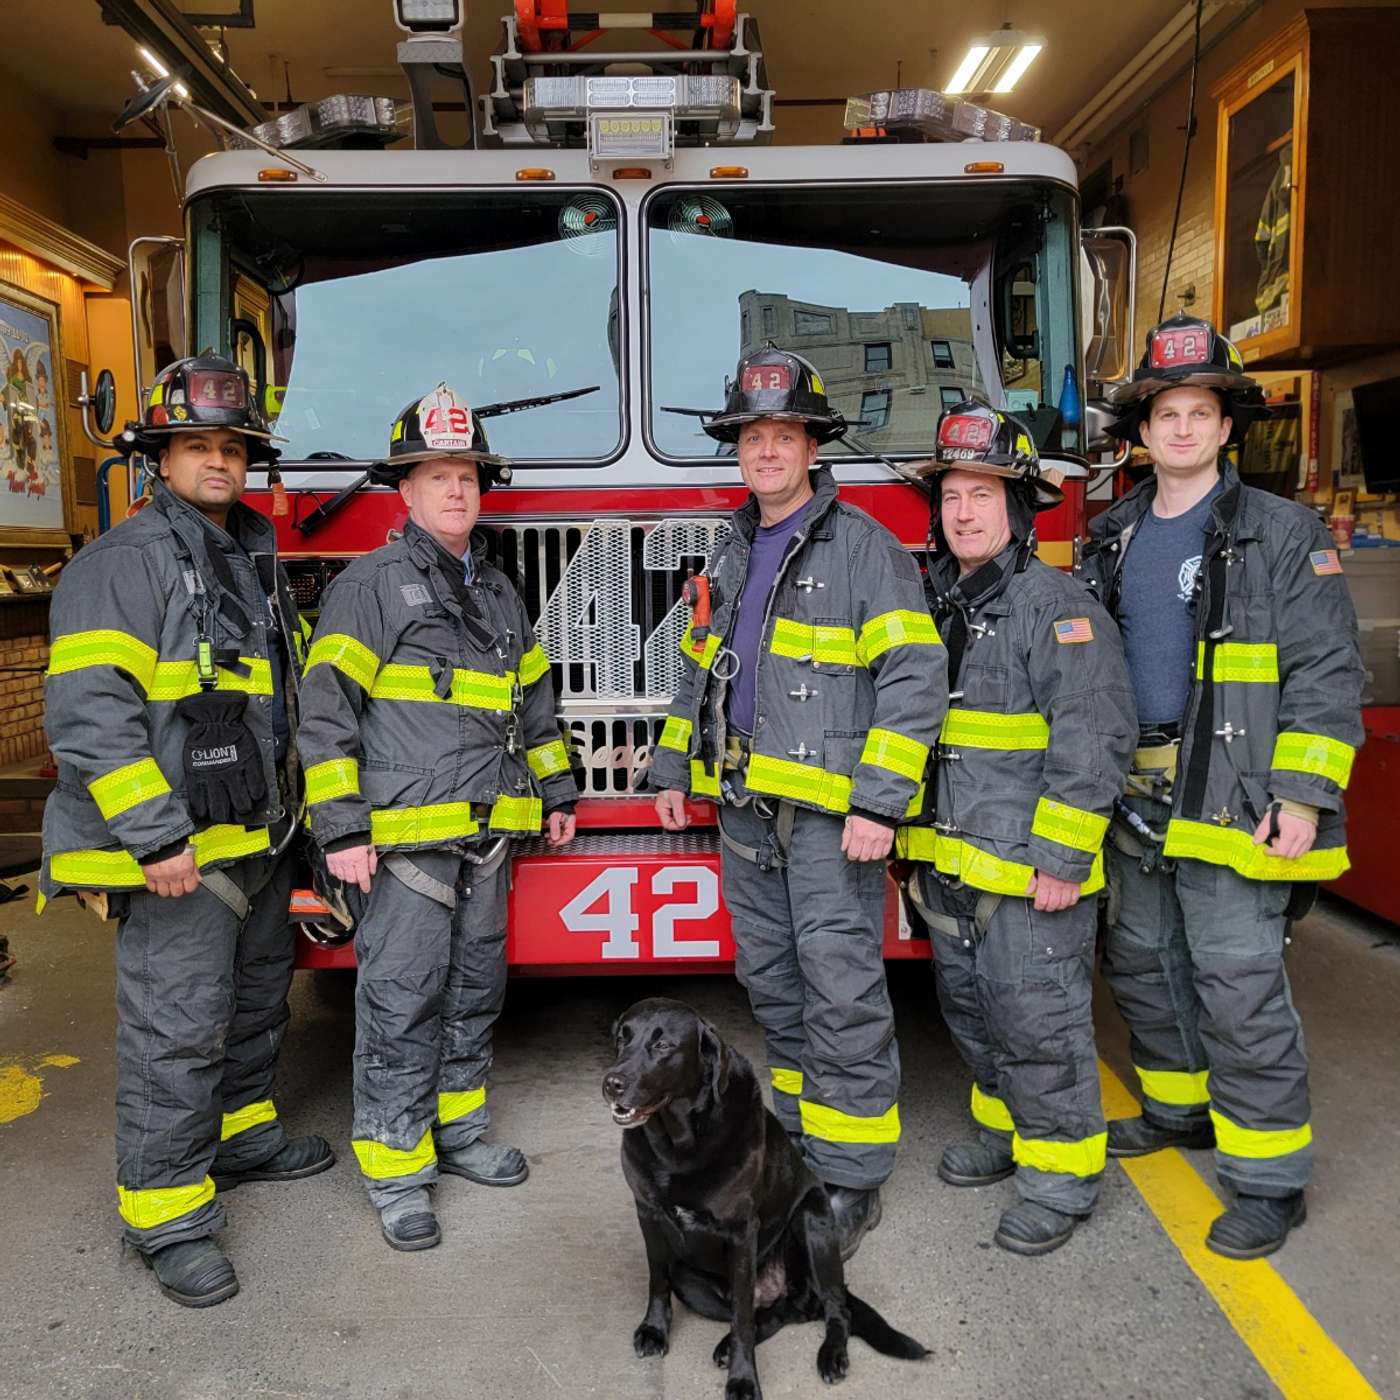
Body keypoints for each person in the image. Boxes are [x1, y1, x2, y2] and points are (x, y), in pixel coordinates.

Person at [40, 353, 332, 1308]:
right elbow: (90, 716)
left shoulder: (245, 555)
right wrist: (157, 839)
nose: (218, 461)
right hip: (179, 855)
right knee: (177, 1031)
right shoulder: (120, 565)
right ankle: (165, 1216)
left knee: (253, 1007)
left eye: (232, 447)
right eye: (196, 446)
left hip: (252, 838)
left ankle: (242, 1139)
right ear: (158, 457)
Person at [649, 347, 947, 1260]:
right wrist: (670, 769)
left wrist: (882, 802)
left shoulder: (865, 550)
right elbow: (703, 666)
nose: (766, 450)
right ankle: (806, 1145)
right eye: (753, 435)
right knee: (774, 989)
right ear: (738, 448)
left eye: (783, 435)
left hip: (828, 824)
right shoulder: (736, 547)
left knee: (842, 991)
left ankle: (852, 1181)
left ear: (813, 448)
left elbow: (916, 676)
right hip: (746, 813)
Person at [1080, 314, 1365, 1259]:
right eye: (1167, 413)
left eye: (1201, 411)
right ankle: (1179, 1113)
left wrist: (1302, 795)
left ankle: (1269, 1179)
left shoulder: (1284, 532)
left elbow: (1326, 672)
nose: (1184, 429)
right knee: (1146, 970)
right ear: (1145, 430)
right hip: (1135, 797)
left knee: (1238, 987)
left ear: (1226, 425)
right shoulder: (1112, 534)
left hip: (1237, 797)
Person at [297, 382, 578, 1251]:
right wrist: (342, 827)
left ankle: (457, 1136)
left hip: (487, 840)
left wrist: (557, 791)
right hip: (406, 847)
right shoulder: (368, 588)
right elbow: (324, 712)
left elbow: (532, 704)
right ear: (405, 492)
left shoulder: (494, 592)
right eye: (435, 476)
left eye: (466, 476)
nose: (455, 491)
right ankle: (396, 1174)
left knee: (472, 994)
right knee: (401, 1002)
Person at [896, 403, 1136, 1256]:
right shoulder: (934, 604)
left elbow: (1094, 735)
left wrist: (1065, 858)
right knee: (974, 1013)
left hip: (1032, 878)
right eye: (954, 496)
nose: (964, 512)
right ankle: (1004, 1134)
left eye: (984, 496)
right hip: (952, 868)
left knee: (1041, 1027)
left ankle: (1062, 1176)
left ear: (1020, 509)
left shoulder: (1056, 610)